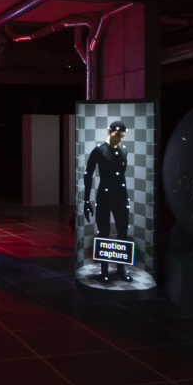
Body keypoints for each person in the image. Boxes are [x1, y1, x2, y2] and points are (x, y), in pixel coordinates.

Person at [83, 121, 132, 282]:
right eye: (117, 135)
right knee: (103, 231)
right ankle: (104, 270)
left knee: (123, 231)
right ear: (110, 131)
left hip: (120, 195)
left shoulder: (123, 151)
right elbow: (88, 174)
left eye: (122, 136)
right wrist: (86, 200)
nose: (119, 139)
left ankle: (121, 268)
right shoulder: (99, 151)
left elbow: (121, 174)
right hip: (104, 195)